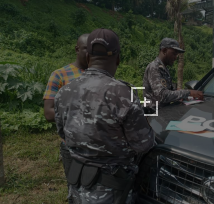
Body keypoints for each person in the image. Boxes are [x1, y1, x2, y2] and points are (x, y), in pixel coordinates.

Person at [54, 28, 155, 204]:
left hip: (77, 185)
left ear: (87, 58)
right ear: (118, 59)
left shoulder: (64, 91)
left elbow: (62, 133)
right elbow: (143, 144)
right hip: (111, 192)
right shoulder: (123, 93)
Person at [43, 33, 89, 204]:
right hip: (71, 147)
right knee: (75, 191)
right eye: (86, 49)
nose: (90, 54)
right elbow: (49, 112)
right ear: (77, 49)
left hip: (98, 148)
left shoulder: (99, 74)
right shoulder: (60, 75)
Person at [143, 37, 203, 110]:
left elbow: (169, 91)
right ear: (164, 50)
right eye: (174, 54)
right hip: (153, 114)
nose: (175, 57)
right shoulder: (154, 67)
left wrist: (180, 95)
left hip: (164, 112)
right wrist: (188, 93)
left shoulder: (164, 68)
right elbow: (162, 95)